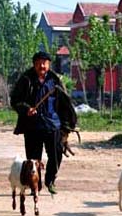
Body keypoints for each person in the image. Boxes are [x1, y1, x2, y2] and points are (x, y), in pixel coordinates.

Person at [11, 51, 77, 195]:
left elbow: (65, 104)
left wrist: (67, 125)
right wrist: (25, 109)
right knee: (34, 159)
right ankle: (36, 184)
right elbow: (15, 101)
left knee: (56, 154)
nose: (42, 65)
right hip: (32, 126)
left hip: (52, 125)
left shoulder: (55, 81)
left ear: (49, 64)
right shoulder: (26, 80)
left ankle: (50, 180)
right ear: (34, 64)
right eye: (39, 63)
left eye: (45, 63)